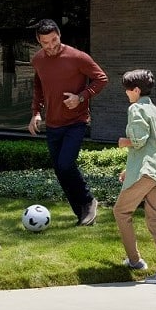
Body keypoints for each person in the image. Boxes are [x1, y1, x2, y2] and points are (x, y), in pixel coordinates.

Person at [28, 19, 108, 226]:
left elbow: (101, 79)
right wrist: (36, 113)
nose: (51, 45)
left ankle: (89, 201)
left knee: (65, 164)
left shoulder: (77, 57)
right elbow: (38, 85)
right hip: (53, 123)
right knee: (60, 170)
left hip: (76, 121)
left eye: (54, 40)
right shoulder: (38, 60)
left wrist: (80, 97)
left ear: (59, 35)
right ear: (39, 41)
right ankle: (80, 212)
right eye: (46, 42)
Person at [114, 69, 156, 284]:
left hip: (146, 173)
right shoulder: (155, 111)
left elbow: (139, 141)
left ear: (136, 90)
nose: (126, 94)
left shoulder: (136, 108)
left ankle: (135, 261)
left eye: (127, 90)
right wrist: (128, 169)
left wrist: (124, 141)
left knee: (121, 212)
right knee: (155, 220)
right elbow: (152, 147)